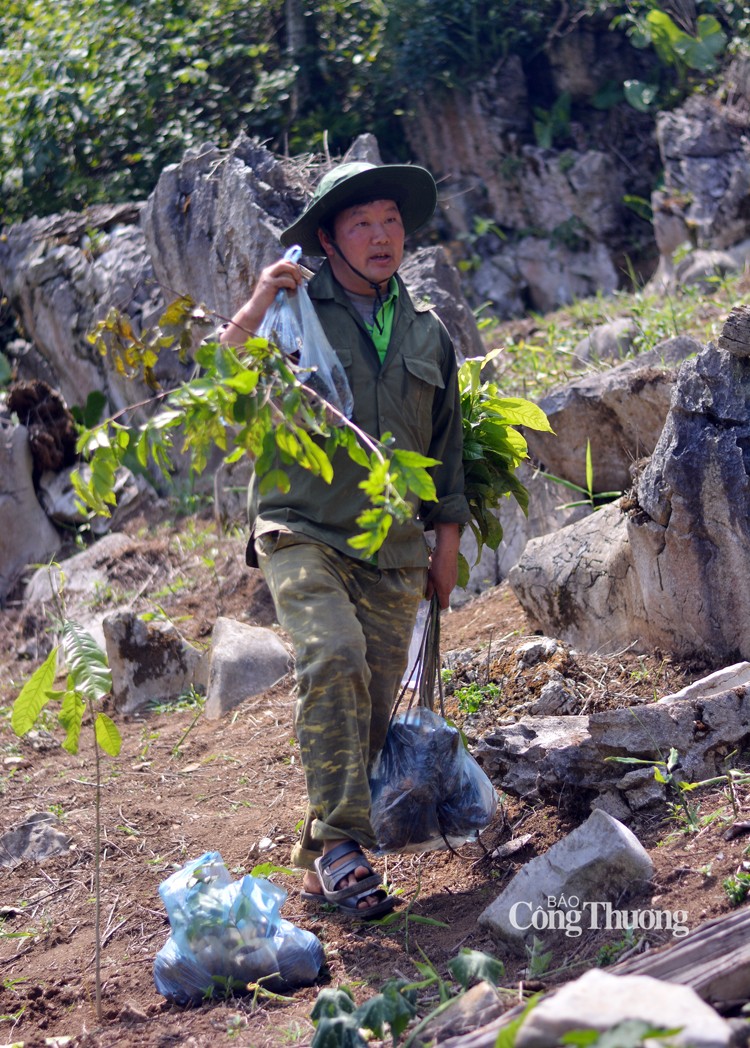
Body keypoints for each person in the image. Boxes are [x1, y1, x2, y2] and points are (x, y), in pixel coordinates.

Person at [220, 161, 470, 917]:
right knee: (333, 655)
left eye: (390, 220)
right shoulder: (294, 312)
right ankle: (340, 847)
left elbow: (449, 454)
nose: (380, 235)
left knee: (368, 709)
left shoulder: (429, 333)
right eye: (360, 223)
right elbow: (227, 387)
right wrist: (261, 296)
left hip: (395, 548)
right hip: (301, 529)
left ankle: (323, 850)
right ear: (327, 240)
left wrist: (445, 546)